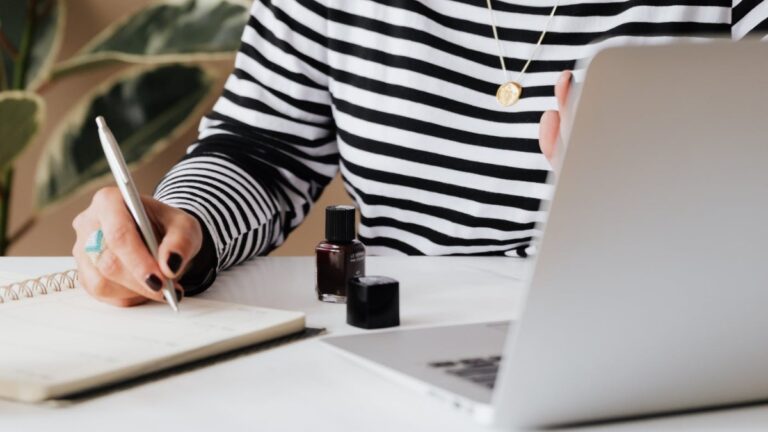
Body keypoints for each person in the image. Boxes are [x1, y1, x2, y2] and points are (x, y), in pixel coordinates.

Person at [71, 0, 767, 307]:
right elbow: (262, 148)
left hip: (647, 331)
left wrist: (664, 185)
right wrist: (176, 222)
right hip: (392, 342)